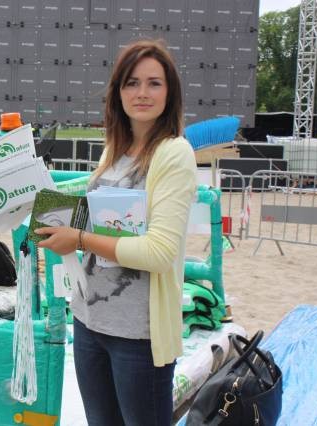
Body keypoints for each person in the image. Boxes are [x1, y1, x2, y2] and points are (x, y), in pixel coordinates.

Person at [34, 40, 197, 425]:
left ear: (170, 92)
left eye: (154, 83)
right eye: (132, 83)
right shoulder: (115, 150)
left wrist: (78, 239)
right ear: (118, 92)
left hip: (139, 336)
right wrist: (50, 216)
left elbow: (159, 252)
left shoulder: (174, 153)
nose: (142, 93)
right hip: (89, 321)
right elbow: (105, 221)